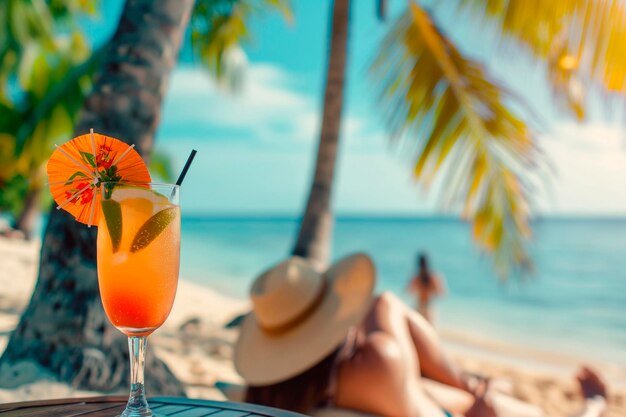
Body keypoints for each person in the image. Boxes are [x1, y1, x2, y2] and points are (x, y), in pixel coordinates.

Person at [234, 253, 608, 417]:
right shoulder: (377, 360)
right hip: (447, 411)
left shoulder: (268, 390)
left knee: (476, 392)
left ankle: (469, 384)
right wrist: (478, 395)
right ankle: (595, 404)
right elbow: (387, 304)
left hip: (411, 394)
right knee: (533, 412)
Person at [407, 252, 446, 323]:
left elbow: (409, 290)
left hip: (419, 304)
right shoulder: (433, 277)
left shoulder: (417, 277)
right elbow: (440, 293)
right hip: (428, 306)